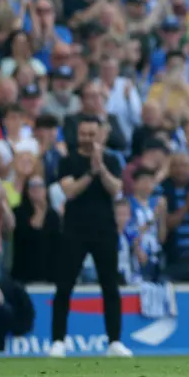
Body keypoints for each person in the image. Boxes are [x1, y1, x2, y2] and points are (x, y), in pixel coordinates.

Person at [49, 116, 132, 358]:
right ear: (77, 135)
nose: (87, 139)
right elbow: (69, 191)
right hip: (74, 230)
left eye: (92, 134)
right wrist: (89, 173)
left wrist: (101, 169)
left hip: (104, 230)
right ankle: (58, 341)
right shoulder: (68, 161)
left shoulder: (112, 160)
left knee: (110, 287)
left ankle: (114, 341)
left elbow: (116, 189)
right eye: (84, 134)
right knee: (64, 286)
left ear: (100, 135)